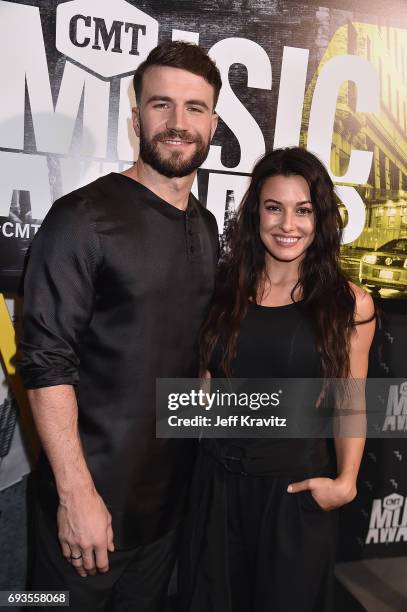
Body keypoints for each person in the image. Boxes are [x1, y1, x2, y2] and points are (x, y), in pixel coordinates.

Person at [18, 41, 221, 611]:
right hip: (85, 519)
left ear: (214, 123)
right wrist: (76, 496)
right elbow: (44, 362)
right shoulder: (81, 219)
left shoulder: (206, 229)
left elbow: (190, 359)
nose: (178, 124)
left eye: (195, 108)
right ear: (135, 117)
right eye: (162, 105)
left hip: (164, 519)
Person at [179, 147, 376, 612]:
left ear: (320, 218)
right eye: (275, 207)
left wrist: (346, 481)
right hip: (217, 492)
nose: (288, 224)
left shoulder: (349, 305)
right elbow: (204, 386)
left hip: (293, 497)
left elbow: (349, 401)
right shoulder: (224, 288)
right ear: (256, 214)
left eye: (303, 210)